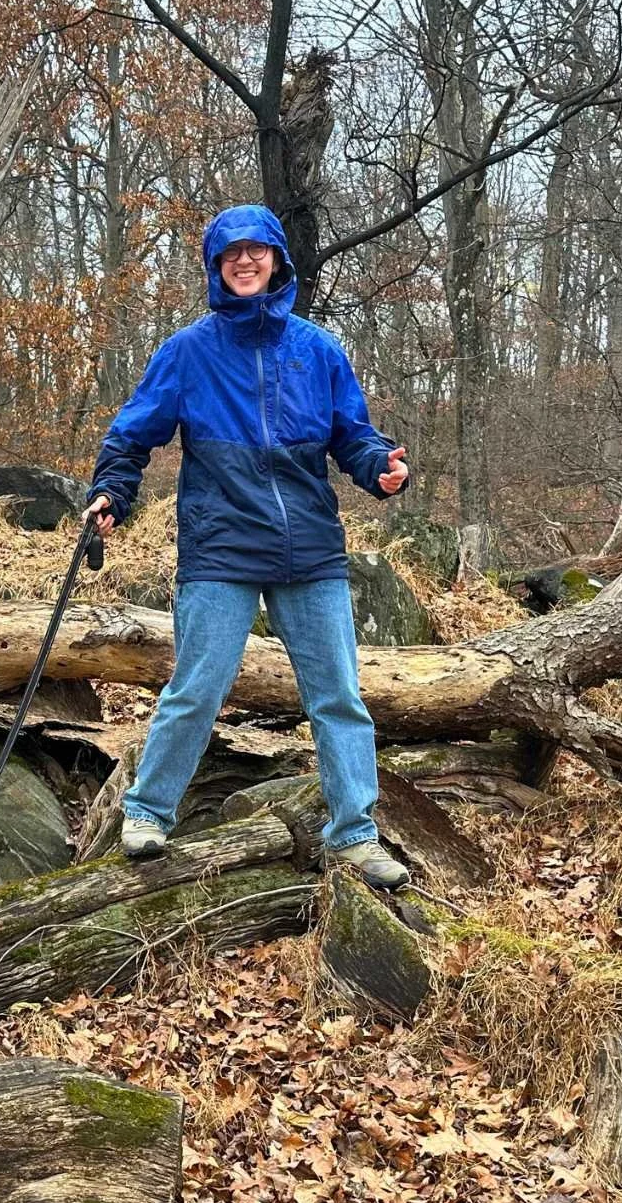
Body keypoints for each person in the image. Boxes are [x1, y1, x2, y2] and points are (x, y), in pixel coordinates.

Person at [82, 204, 414, 889]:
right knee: (196, 689)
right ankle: (146, 816)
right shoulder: (188, 352)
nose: (244, 262)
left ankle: (354, 834)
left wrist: (380, 465)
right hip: (221, 547)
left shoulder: (317, 350)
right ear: (214, 266)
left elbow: (352, 436)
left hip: (310, 550)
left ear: (277, 261)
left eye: (256, 251)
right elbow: (131, 436)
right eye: (230, 253)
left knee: (338, 696)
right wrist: (113, 492)